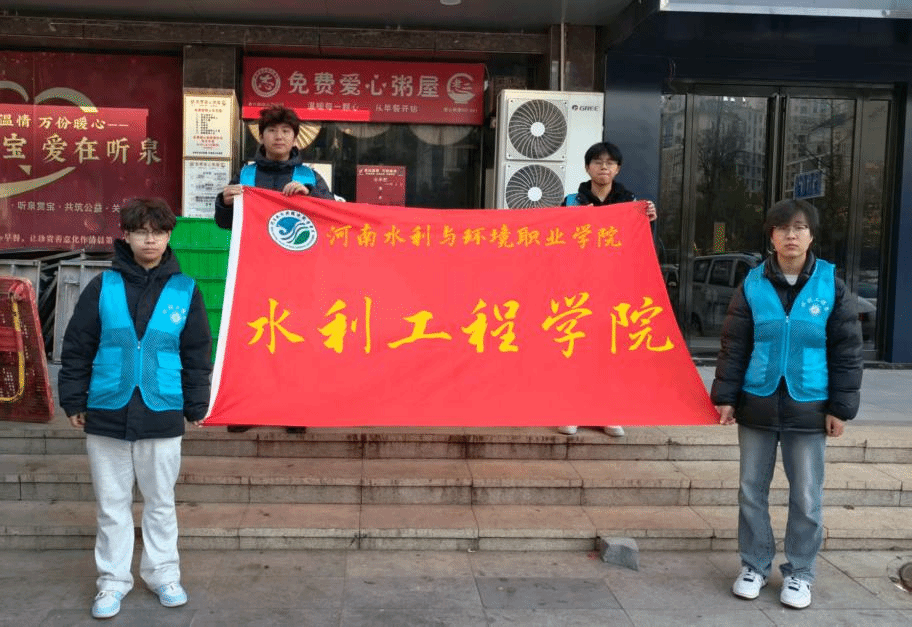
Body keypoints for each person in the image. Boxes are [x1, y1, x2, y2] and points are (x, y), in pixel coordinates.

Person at [58, 198, 212, 619]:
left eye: (158, 232)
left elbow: (197, 353)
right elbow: (78, 347)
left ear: (168, 236)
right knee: (112, 504)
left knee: (160, 502)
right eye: (141, 231)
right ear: (125, 235)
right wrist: (73, 398)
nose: (150, 240)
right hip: (107, 408)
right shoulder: (102, 287)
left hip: (163, 409)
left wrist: (197, 402)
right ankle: (112, 582)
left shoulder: (185, 290)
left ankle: (164, 575)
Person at [711, 198, 862, 609]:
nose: (790, 235)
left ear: (811, 236)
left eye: (799, 228)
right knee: (751, 492)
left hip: (810, 406)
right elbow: (734, 344)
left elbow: (847, 351)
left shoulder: (831, 284)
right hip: (757, 403)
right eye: (782, 228)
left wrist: (840, 408)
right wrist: (726, 397)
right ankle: (754, 566)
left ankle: (799, 573)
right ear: (772, 237)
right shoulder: (753, 283)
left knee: (807, 498)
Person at [215, 104, 335, 433]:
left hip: (298, 277)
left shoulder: (309, 177)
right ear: (261, 136)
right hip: (253, 274)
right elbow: (224, 222)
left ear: (296, 138)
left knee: (295, 344)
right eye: (271, 130)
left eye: (285, 131)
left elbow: (331, 219)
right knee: (251, 342)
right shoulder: (245, 176)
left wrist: (310, 197)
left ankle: (293, 411)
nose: (278, 136)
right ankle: (245, 409)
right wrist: (223, 202)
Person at [558, 141, 658, 438]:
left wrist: (649, 221)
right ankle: (572, 410)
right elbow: (557, 243)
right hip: (579, 289)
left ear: (618, 169)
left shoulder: (632, 204)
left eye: (610, 162)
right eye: (598, 162)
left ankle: (608, 411)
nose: (604, 167)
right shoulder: (571, 202)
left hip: (617, 289)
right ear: (587, 167)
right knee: (577, 350)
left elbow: (640, 246)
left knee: (612, 352)